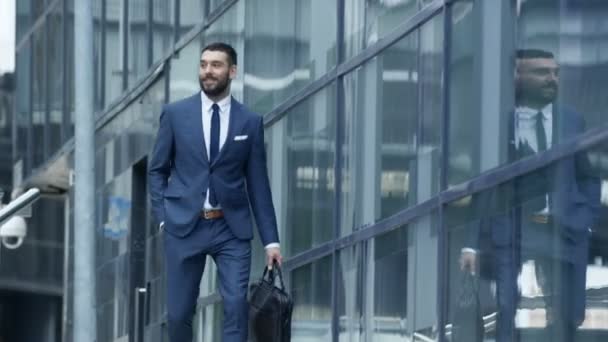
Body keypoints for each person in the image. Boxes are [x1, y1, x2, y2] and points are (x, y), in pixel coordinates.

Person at [460, 49, 601, 342]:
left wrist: (587, 216)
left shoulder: (572, 120)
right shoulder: (500, 122)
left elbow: (587, 175)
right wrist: (471, 245)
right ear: (518, 77)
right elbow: (483, 185)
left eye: (555, 73)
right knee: (506, 305)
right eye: (541, 72)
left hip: (564, 227)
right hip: (515, 228)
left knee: (570, 313)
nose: (552, 78)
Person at [148, 42, 283, 342]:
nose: (208, 71)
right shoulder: (175, 114)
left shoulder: (249, 122)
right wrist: (162, 218)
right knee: (179, 314)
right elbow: (157, 170)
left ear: (232, 71)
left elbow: (259, 185)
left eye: (216, 65)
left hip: (230, 228)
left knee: (236, 304)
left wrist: (271, 241)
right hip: (183, 226)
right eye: (204, 64)